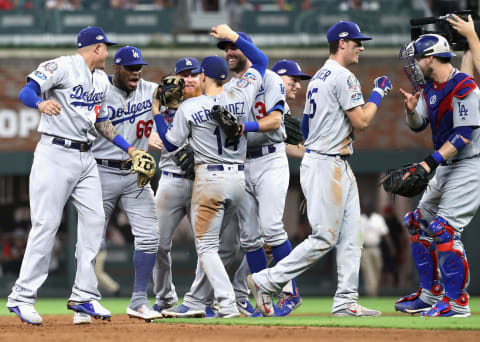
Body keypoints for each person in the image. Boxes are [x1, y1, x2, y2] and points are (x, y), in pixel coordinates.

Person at [248, 20, 391, 317]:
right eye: (356, 42)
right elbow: (362, 122)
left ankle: (346, 301)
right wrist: (378, 93)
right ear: (342, 43)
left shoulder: (320, 77)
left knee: (353, 236)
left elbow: (305, 127)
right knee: (324, 237)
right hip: (327, 162)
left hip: (331, 161)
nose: (360, 47)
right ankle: (266, 280)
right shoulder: (343, 76)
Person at [6, 26, 148, 325]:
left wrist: (129, 149)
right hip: (55, 153)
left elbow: (101, 122)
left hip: (86, 157)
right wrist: (40, 103)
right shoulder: (62, 66)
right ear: (95, 48)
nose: (107, 53)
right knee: (46, 225)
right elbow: (26, 90)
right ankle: (22, 297)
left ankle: (84, 295)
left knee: (96, 221)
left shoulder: (99, 80)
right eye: (105, 48)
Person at [154, 23, 268, 318]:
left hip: (209, 179)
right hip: (237, 178)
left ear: (204, 76)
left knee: (206, 248)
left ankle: (227, 302)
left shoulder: (190, 108)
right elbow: (261, 61)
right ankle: (195, 301)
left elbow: (169, 143)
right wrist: (234, 38)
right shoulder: (242, 92)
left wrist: (157, 114)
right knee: (222, 245)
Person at [69, 45, 163, 325]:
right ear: (116, 69)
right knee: (89, 238)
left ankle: (138, 301)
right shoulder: (99, 89)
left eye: (139, 68)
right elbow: (96, 121)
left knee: (150, 236)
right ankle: (84, 300)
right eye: (130, 68)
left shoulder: (151, 89)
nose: (136, 72)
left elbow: (177, 102)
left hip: (137, 176)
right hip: (101, 171)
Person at [395, 33, 480, 317]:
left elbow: (463, 136)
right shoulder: (430, 87)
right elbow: (419, 125)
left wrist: (429, 163)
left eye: (418, 58)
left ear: (430, 57)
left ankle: (457, 302)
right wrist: (410, 111)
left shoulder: (464, 86)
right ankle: (431, 295)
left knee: (444, 228)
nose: (415, 64)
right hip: (446, 165)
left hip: (470, 163)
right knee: (418, 222)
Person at [218, 32, 301, 317]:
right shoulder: (230, 88)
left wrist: (244, 128)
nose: (229, 52)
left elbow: (276, 120)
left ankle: (290, 291)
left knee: (271, 227)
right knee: (250, 238)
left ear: (247, 50)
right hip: (243, 161)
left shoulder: (271, 79)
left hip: (270, 159)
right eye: (226, 48)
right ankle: (263, 299)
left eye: (234, 47)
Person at [151, 57, 202, 313]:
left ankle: (201, 298)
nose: (189, 78)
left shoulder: (212, 102)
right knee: (158, 243)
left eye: (194, 74)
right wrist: (151, 127)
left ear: (203, 77)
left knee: (207, 247)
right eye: (184, 74)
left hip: (202, 183)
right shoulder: (166, 107)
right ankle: (165, 297)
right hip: (171, 179)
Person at [271, 59, 311, 158]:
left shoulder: (283, 105)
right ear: (277, 78)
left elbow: (280, 146)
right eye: (294, 80)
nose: (298, 86)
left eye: (299, 81)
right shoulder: (258, 98)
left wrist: (315, 157)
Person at [360, 201, 392, 297]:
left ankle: (374, 289)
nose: (367, 209)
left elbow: (385, 234)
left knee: (378, 269)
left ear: (371, 208)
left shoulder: (378, 219)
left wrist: (391, 247)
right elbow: (356, 236)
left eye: (368, 207)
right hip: (365, 249)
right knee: (368, 271)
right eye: (365, 207)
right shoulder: (360, 219)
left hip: (376, 248)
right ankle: (371, 292)